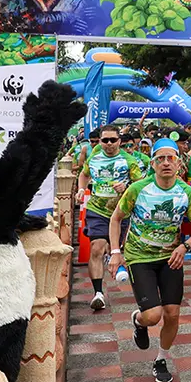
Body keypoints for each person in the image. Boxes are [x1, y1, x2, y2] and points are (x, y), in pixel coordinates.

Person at [108, 140, 191, 382]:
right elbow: (116, 218)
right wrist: (115, 251)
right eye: (160, 159)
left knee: (172, 314)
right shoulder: (138, 189)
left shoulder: (186, 192)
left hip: (171, 257)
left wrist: (184, 247)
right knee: (153, 315)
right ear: (152, 164)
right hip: (139, 257)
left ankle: (161, 359)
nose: (165, 163)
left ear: (179, 163)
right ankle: (138, 321)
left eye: (170, 158)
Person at [76, 125, 143, 311]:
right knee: (96, 247)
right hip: (97, 210)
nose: (109, 144)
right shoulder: (94, 157)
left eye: (113, 140)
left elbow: (140, 184)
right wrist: (81, 189)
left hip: (121, 213)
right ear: (100, 141)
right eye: (105, 140)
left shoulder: (129, 161)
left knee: (118, 250)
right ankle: (98, 293)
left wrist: (126, 187)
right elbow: (84, 174)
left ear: (119, 141)